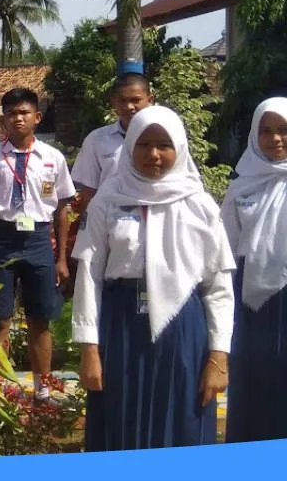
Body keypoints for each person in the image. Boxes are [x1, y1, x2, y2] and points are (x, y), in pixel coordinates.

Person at [73, 106, 233, 450]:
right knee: (121, 421)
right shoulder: (107, 199)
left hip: (183, 330)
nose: (154, 154)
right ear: (130, 145)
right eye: (144, 144)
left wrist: (218, 356)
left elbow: (218, 286)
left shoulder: (200, 204)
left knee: (182, 424)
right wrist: (89, 348)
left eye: (164, 144)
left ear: (179, 148)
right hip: (121, 328)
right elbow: (89, 274)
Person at [0, 87, 75, 403]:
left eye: (24, 113)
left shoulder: (53, 158)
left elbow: (62, 209)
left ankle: (42, 388)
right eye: (11, 113)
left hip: (38, 241)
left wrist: (61, 258)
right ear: (2, 120)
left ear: (37, 117)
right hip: (2, 240)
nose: (18, 118)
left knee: (39, 318)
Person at [223, 97, 287, 442]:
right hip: (251, 304)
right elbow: (225, 250)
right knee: (255, 383)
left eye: (283, 130)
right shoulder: (241, 186)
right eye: (266, 131)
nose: (276, 139)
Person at [66, 74, 155, 291]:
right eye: (123, 100)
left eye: (136, 99)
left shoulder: (163, 138)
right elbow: (88, 194)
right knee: (113, 288)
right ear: (113, 102)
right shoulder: (97, 140)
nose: (130, 106)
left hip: (156, 222)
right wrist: (85, 235)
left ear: (150, 99)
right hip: (110, 227)